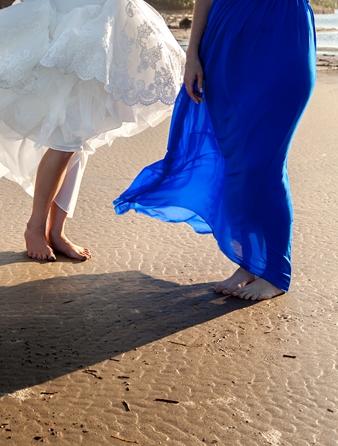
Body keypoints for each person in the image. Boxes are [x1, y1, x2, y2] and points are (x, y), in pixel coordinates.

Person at [0, 0, 184, 260]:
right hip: (66, 26)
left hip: (103, 29)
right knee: (68, 141)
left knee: (79, 140)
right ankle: (36, 227)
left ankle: (56, 231)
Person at [114, 0, 316, 300]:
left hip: (285, 38)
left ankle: (275, 271)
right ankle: (249, 262)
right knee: (236, 163)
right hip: (227, 43)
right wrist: (192, 55)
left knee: (265, 165)